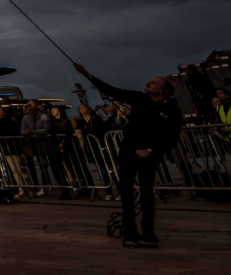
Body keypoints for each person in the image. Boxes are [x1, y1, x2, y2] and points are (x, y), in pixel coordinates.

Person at [74, 63, 182, 246]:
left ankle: (149, 231)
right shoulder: (139, 98)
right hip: (129, 149)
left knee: (147, 192)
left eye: (154, 83)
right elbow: (112, 90)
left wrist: (150, 151)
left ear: (163, 90)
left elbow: (172, 135)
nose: (149, 82)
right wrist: (87, 75)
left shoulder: (171, 109)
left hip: (149, 154)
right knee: (126, 191)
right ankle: (130, 231)